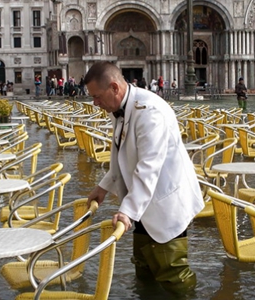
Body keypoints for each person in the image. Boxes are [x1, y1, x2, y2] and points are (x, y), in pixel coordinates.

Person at [84, 62, 203, 295]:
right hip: (141, 204)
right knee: (144, 265)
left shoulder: (149, 111)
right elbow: (122, 155)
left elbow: (149, 165)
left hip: (165, 202)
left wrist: (127, 211)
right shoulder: (120, 108)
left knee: (173, 273)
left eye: (97, 96)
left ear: (115, 88)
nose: (94, 103)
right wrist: (103, 186)